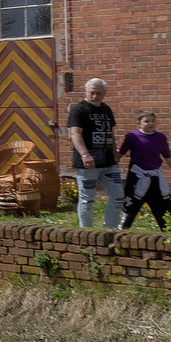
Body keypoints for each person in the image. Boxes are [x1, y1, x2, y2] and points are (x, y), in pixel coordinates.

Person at [68, 77, 123, 228]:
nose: (95, 96)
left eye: (99, 93)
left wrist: (115, 151)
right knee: (87, 199)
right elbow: (75, 135)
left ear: (104, 93)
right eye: (92, 92)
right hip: (88, 164)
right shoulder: (78, 110)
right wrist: (85, 154)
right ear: (86, 91)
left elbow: (110, 133)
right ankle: (86, 232)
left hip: (108, 162)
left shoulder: (106, 109)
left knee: (118, 197)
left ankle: (109, 229)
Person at [119, 111, 171, 230]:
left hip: (155, 178)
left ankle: (170, 233)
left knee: (163, 208)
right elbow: (121, 153)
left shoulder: (160, 137)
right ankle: (122, 230)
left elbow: (167, 156)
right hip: (138, 177)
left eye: (153, 121)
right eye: (147, 121)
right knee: (131, 207)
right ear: (139, 123)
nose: (151, 123)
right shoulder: (132, 137)